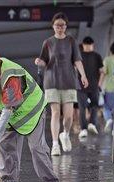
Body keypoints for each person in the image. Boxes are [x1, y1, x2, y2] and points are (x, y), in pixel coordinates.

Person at [0, 48, 59, 182]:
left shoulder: (9, 75)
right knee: (5, 146)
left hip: (31, 111)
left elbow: (8, 109)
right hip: (12, 114)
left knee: (37, 148)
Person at [35, 12, 88, 155]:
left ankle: (64, 134)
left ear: (66, 26)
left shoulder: (71, 41)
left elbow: (77, 60)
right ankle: (55, 144)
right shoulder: (47, 42)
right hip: (51, 81)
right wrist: (40, 62)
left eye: (63, 25)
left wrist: (83, 75)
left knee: (69, 116)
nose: (60, 28)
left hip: (69, 81)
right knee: (55, 113)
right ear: (53, 26)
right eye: (57, 25)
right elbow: (44, 60)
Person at [78, 36, 104, 138]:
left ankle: (91, 124)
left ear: (93, 45)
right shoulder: (78, 56)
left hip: (93, 86)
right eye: (87, 45)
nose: (89, 47)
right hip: (81, 87)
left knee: (94, 105)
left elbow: (102, 72)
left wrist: (99, 85)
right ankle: (84, 128)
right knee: (82, 107)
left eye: (90, 45)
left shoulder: (97, 56)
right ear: (84, 45)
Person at [98, 41, 114, 133]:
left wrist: (99, 85)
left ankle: (109, 119)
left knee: (107, 107)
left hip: (109, 88)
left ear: (111, 49)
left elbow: (103, 73)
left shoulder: (107, 59)